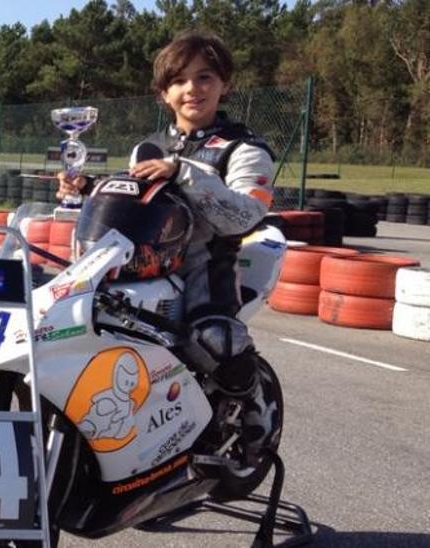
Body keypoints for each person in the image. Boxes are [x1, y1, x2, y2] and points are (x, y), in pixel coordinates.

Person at [57, 30, 276, 456]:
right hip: (136, 264)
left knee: (216, 340)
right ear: (163, 93)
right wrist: (85, 188)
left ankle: (253, 411)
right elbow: (130, 195)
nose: (192, 88)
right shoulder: (149, 146)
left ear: (224, 84)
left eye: (205, 77)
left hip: (203, 269)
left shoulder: (244, 148)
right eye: (179, 80)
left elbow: (246, 214)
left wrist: (183, 173)